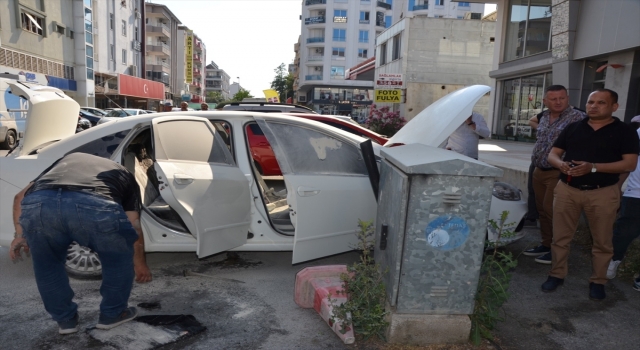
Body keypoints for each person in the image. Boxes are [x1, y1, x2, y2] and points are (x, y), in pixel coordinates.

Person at [9, 153, 153, 334]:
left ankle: (65, 322)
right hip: (94, 204)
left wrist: (20, 235)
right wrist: (139, 263)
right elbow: (134, 225)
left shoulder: (65, 160)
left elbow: (18, 197)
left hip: (40, 206)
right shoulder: (123, 173)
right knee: (117, 260)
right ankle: (112, 314)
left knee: (47, 265)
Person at [541, 89, 639, 300]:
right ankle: (556, 274)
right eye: (590, 102)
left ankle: (598, 281)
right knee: (560, 238)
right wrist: (561, 165)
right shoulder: (574, 127)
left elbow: (630, 164)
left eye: (600, 102)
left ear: (614, 107)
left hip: (602, 193)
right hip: (567, 190)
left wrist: (593, 167)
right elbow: (553, 154)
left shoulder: (625, 131)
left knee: (602, 241)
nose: (593, 106)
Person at [524, 85, 586, 264]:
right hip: (538, 171)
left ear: (567, 98)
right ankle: (546, 244)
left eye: (562, 98)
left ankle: (557, 250)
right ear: (545, 101)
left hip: (558, 172)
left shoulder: (579, 118)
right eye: (553, 99)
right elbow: (532, 122)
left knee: (553, 211)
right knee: (542, 210)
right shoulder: (543, 116)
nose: (558, 102)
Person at [606, 115, 640, 285]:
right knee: (624, 231)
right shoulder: (638, 134)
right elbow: (628, 162)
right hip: (636, 193)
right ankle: (613, 260)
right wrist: (617, 187)